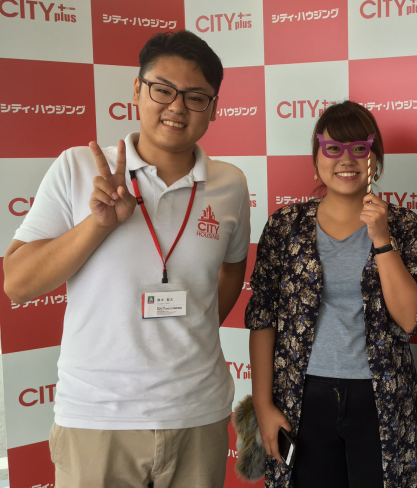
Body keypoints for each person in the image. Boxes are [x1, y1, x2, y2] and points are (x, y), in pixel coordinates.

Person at [3, 31, 251, 488]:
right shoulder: (78, 168)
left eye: (196, 97)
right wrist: (98, 224)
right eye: (162, 89)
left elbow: (233, 266)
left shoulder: (230, 184)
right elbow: (18, 282)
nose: (177, 107)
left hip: (197, 415)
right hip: (97, 419)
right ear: (137, 90)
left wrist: (195, 325)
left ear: (214, 108)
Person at [246, 101, 417, 488]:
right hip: (302, 396)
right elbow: (262, 318)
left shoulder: (404, 225)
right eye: (333, 148)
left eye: (359, 148)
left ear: (375, 158)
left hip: (383, 397)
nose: (346, 159)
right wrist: (263, 404)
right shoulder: (285, 225)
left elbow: (411, 319)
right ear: (316, 158)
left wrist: (382, 240)